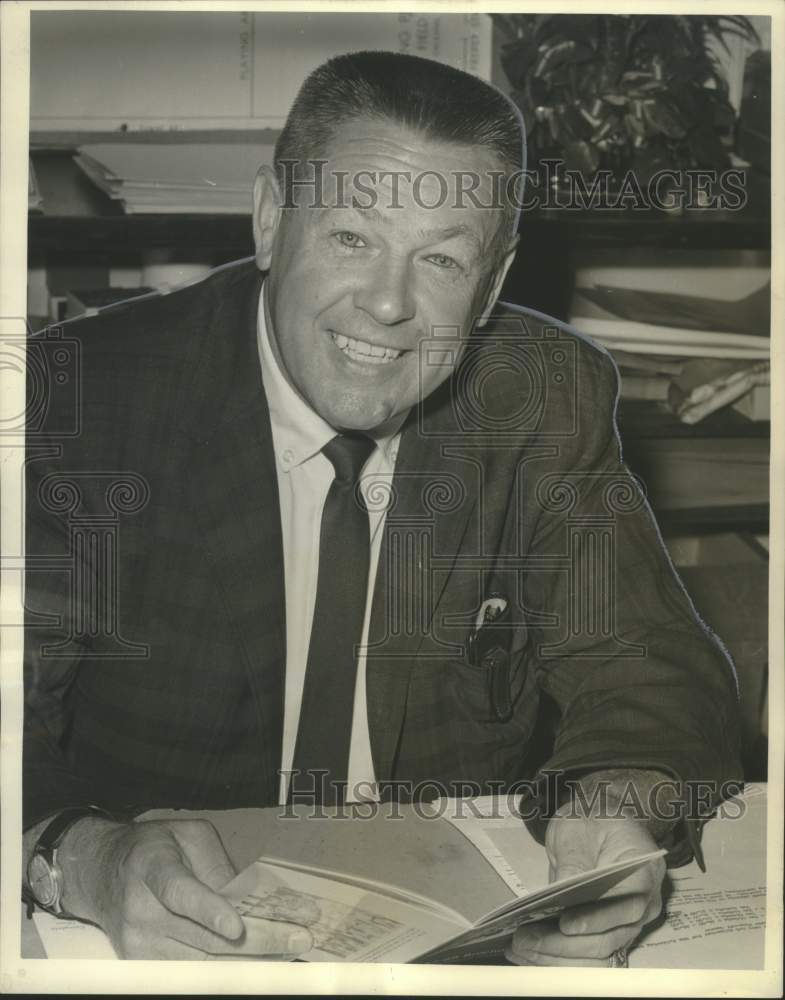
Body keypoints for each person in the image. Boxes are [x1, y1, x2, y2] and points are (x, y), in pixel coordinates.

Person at [23, 51, 742, 963]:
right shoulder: (79, 400)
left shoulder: (543, 396)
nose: (391, 305)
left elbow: (648, 664)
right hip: (160, 936)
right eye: (351, 238)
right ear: (271, 220)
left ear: (491, 282)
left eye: (441, 258)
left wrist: (610, 813)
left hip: (445, 930)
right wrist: (82, 855)